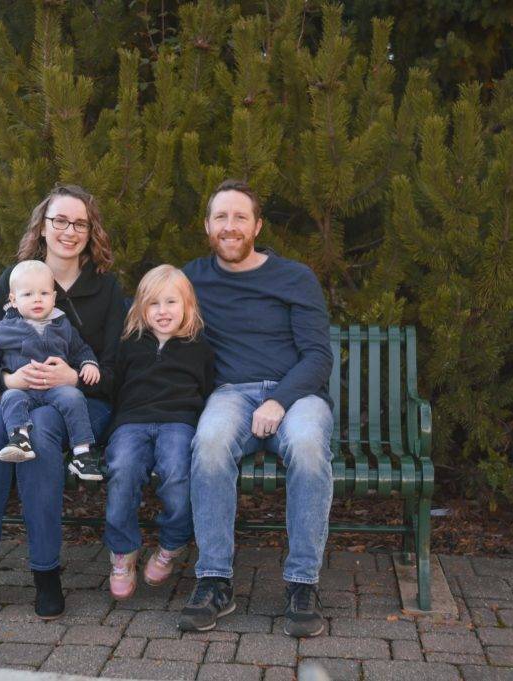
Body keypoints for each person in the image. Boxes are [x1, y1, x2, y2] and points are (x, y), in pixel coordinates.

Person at [180, 179, 335, 637]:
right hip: (231, 393)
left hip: (297, 395)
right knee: (208, 443)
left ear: (257, 225)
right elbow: (147, 312)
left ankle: (302, 584)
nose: (230, 227)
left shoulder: (294, 277)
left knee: (308, 448)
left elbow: (318, 357)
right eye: (221, 217)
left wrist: (278, 400)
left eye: (240, 217)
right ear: (208, 226)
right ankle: (214, 580)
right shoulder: (192, 278)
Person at [0, 185, 125, 620]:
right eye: (60, 221)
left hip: (79, 407)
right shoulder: (14, 280)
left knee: (45, 431)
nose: (69, 231)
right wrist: (7, 378)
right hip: (15, 393)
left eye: (79, 223)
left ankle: (45, 570)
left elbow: (113, 369)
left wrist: (74, 375)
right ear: (43, 225)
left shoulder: (106, 290)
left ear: (91, 232)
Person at [103, 265, 214, 600]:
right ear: (141, 309)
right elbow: (114, 386)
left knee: (178, 474)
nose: (163, 311)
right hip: (132, 422)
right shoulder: (130, 344)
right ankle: (122, 552)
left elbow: (208, 391)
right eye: (154, 304)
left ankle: (171, 544)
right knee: (122, 470)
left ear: (188, 306)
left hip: (179, 422)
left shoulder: (199, 348)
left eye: (171, 302)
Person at [0, 259, 101, 467]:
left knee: (74, 397)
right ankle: (20, 439)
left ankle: (83, 453)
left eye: (44, 293)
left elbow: (80, 349)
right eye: (28, 294)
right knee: (11, 398)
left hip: (55, 389)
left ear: (54, 297)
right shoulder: (4, 328)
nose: (37, 300)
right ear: (13, 300)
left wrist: (88, 364)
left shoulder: (62, 323)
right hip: (22, 389)